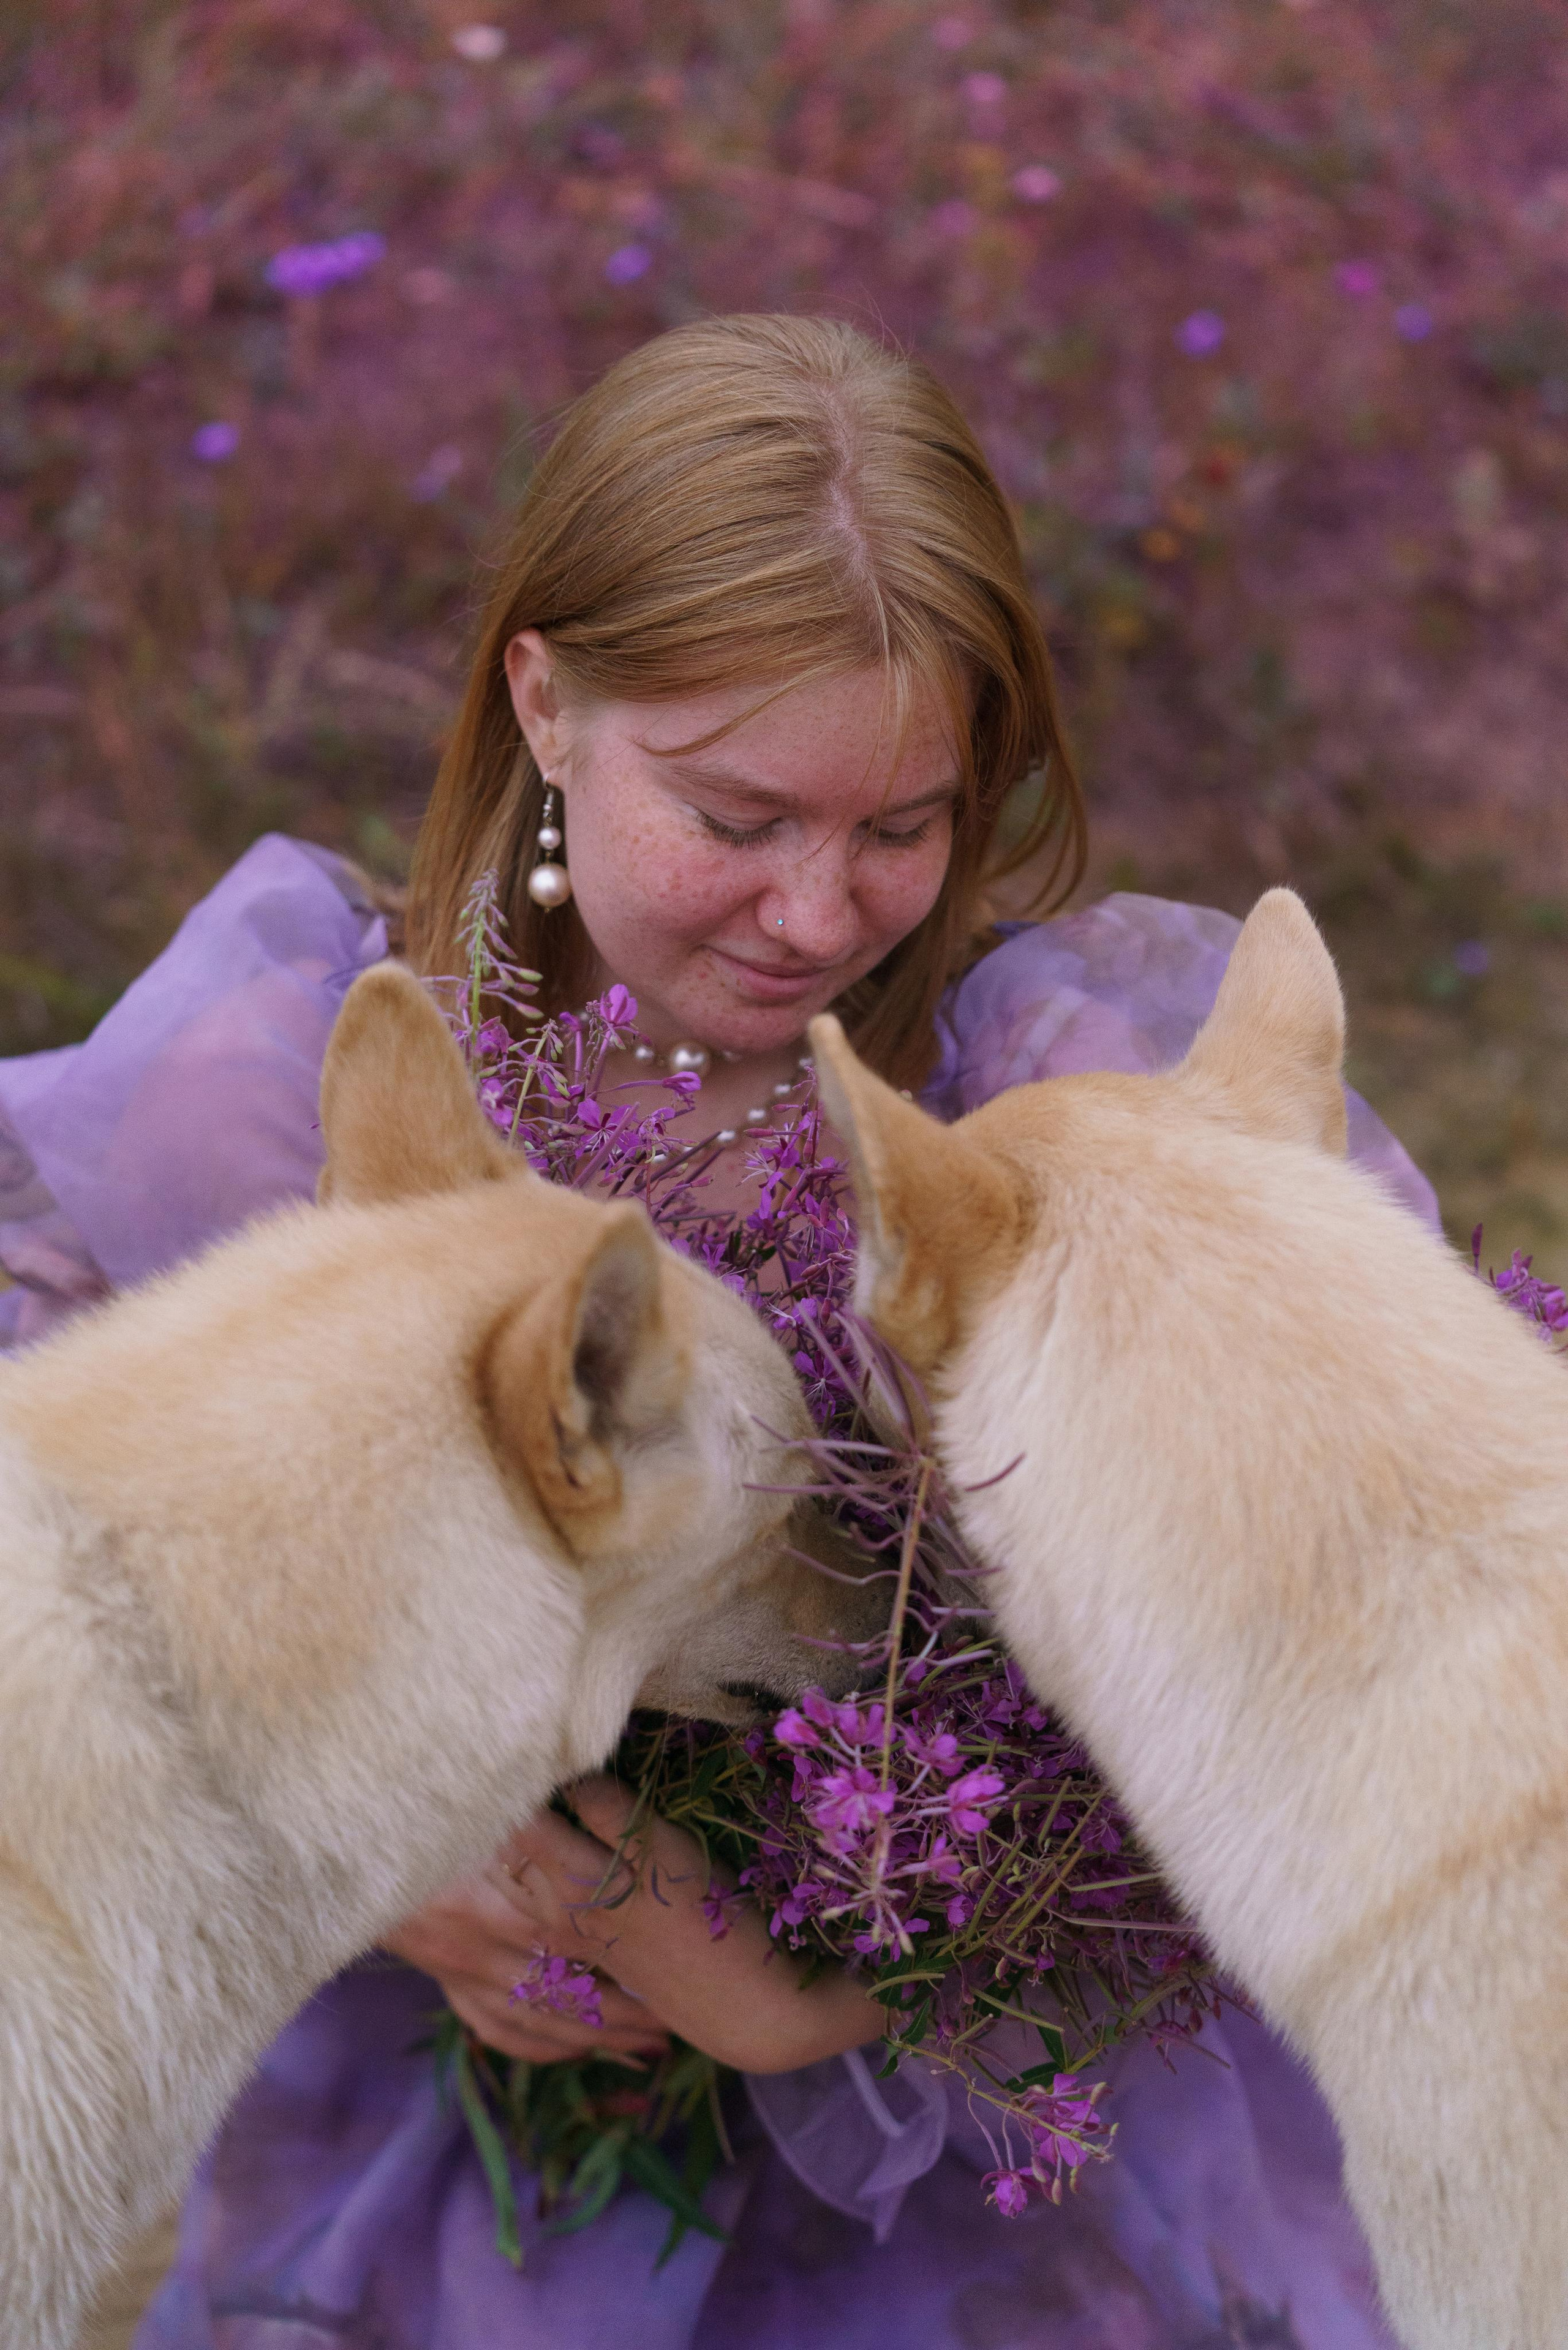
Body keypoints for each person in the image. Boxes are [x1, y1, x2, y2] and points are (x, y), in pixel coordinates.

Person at [0, 316, 1434, 2348]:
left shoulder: (1056, 1103)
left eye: (902, 823)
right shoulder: (294, 1073)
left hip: (1009, 2185)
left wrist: (804, 2002)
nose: (822, 912)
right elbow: (73, 1587)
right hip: (459, 2160)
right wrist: (402, 1871)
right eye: (738, 815)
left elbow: (1356, 1642)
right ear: (548, 701)